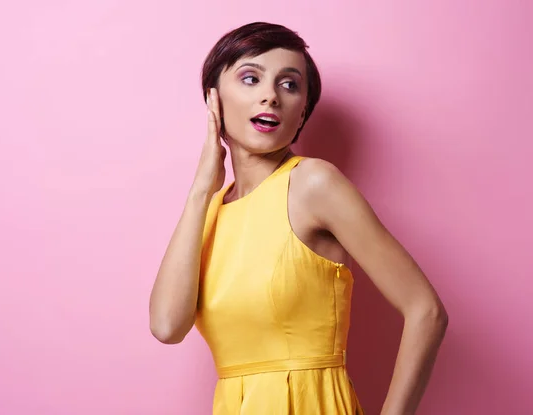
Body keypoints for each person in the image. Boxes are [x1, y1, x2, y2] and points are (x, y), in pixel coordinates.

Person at [149, 22, 448, 415]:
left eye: (289, 85)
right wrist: (202, 187)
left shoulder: (313, 184)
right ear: (214, 99)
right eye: (251, 79)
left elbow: (426, 310)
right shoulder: (210, 209)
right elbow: (167, 326)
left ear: (303, 109)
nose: (270, 97)